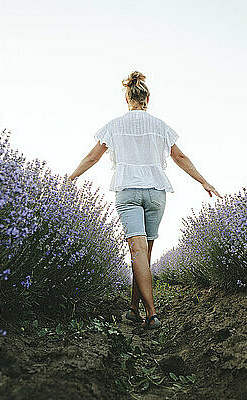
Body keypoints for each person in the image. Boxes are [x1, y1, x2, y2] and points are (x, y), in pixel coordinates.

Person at [68, 71, 222, 329]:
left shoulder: (114, 125)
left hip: (128, 191)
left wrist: (72, 176)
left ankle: (150, 313)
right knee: (145, 255)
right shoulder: (161, 126)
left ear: (127, 99)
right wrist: (203, 181)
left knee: (137, 253)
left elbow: (93, 157)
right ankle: (133, 309)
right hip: (156, 193)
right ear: (147, 98)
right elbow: (180, 158)